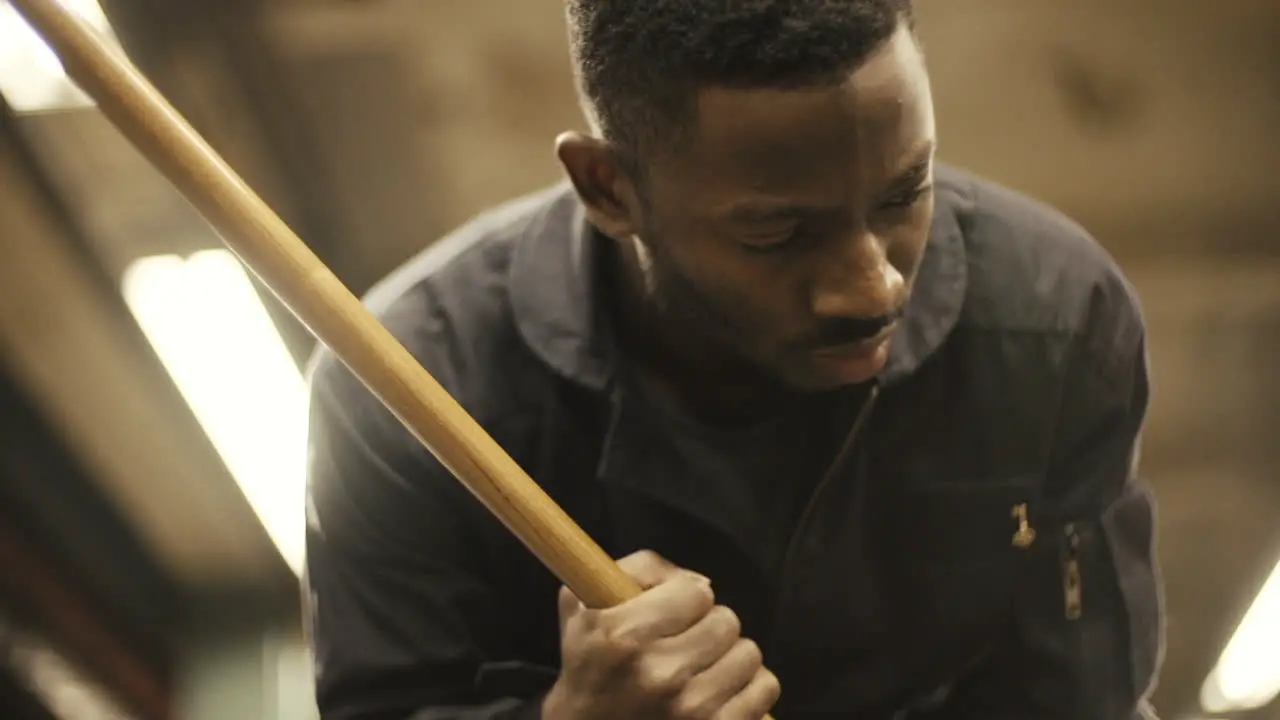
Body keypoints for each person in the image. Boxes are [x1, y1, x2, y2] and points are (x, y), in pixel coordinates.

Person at [302, 1, 1165, 718]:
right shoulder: (409, 390)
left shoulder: (1056, 321)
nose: (871, 288)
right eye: (779, 232)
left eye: (906, 194)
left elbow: (1081, 698)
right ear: (609, 189)